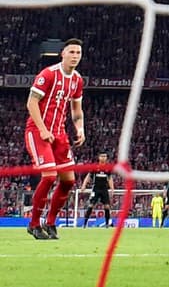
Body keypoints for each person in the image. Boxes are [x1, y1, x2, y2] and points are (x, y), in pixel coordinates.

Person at [24, 39, 86, 241]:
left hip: (59, 134)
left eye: (78, 52)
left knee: (69, 181)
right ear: (63, 54)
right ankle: (34, 224)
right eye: (71, 52)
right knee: (50, 176)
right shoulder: (48, 74)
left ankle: (50, 222)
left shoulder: (77, 80)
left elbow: (76, 109)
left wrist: (80, 128)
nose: (75, 56)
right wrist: (43, 130)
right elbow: (31, 103)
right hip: (37, 132)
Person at [81, 153, 113, 227]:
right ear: (99, 157)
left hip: (104, 189)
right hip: (96, 188)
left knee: (107, 206)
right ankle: (84, 223)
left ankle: (107, 224)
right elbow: (89, 176)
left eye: (105, 156)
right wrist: (84, 185)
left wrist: (112, 188)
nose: (103, 158)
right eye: (102, 156)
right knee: (91, 205)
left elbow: (110, 178)